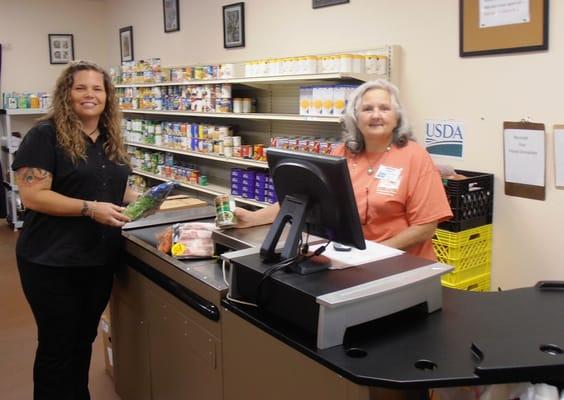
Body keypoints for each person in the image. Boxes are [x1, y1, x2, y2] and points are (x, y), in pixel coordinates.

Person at [12, 60, 139, 399]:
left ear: (107, 96)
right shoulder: (44, 135)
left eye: (97, 88)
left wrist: (148, 201)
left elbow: (112, 185)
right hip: (51, 260)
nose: (89, 94)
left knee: (83, 340)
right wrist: (89, 208)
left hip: (97, 260)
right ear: (66, 94)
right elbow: (33, 195)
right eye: (80, 87)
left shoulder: (110, 139)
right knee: (58, 345)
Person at [235, 79, 452, 260]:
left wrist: (374, 254)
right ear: (355, 118)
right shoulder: (342, 154)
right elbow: (302, 198)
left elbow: (425, 227)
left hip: (401, 265)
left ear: (397, 118)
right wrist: (253, 219)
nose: (376, 115)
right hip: (349, 260)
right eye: (367, 109)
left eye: (384, 108)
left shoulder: (414, 157)